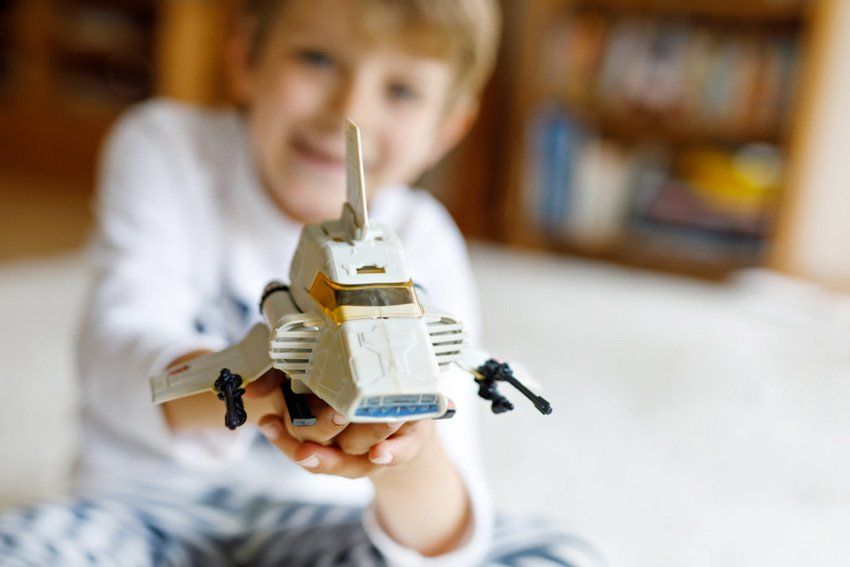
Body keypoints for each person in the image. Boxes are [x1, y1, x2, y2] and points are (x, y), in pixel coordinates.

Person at [0, 1, 603, 565]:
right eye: (317, 58)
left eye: (402, 89)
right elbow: (121, 358)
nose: (351, 112)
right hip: (137, 513)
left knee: (553, 552)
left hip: (324, 528)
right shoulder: (166, 149)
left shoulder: (421, 240)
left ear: (447, 129)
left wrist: (399, 450)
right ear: (246, 58)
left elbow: (443, 529)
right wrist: (263, 391)